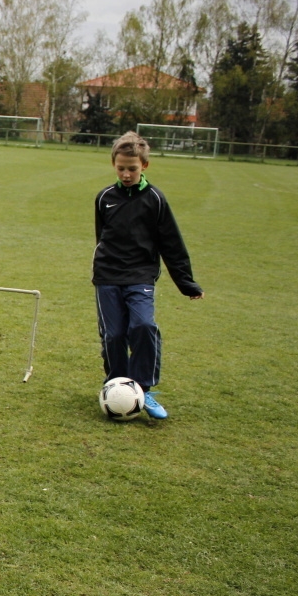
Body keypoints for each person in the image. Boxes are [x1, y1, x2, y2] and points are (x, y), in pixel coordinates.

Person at [93, 131, 204, 419]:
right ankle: (117, 388)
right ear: (113, 165)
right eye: (121, 168)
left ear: (145, 166)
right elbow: (101, 238)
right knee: (114, 334)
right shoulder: (104, 198)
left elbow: (172, 243)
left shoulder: (155, 199)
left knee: (142, 326)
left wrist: (186, 283)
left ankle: (144, 387)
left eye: (132, 168)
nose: (127, 174)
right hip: (107, 275)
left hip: (140, 275)